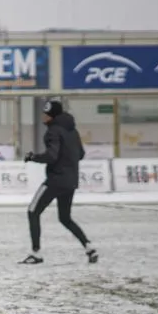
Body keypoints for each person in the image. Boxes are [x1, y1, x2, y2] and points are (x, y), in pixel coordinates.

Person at [22, 100, 98, 265]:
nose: (43, 116)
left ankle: (36, 253)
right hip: (71, 180)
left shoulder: (52, 132)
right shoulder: (72, 130)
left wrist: (33, 157)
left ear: (51, 116)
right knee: (65, 218)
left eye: (45, 114)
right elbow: (81, 154)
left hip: (56, 179)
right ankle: (89, 247)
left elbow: (51, 156)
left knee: (33, 211)